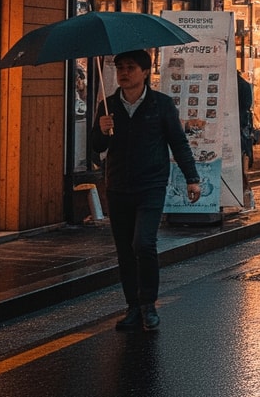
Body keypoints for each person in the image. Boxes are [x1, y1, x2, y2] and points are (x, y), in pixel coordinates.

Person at [88, 49, 201, 332]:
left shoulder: (161, 105)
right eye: (119, 68)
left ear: (146, 72)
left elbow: (178, 142)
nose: (123, 73)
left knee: (144, 244)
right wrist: (101, 131)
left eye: (130, 67)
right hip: (117, 186)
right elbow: (96, 150)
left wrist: (192, 178)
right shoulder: (107, 106)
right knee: (125, 250)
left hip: (150, 185)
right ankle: (133, 308)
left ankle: (149, 304)